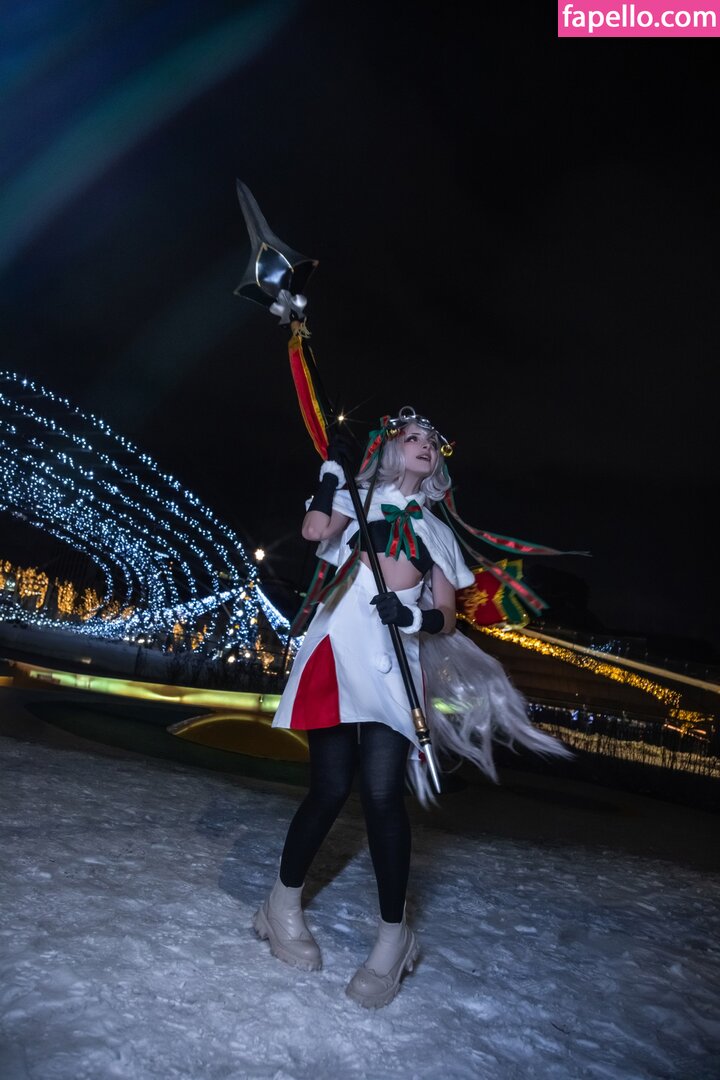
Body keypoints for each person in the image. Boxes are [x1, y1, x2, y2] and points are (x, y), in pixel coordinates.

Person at [253, 407, 571, 1009]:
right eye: (414, 437)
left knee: (381, 795)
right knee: (329, 788)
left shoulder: (437, 531)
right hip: (336, 649)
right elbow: (314, 531)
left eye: (433, 441)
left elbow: (447, 614)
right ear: (390, 447)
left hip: (393, 661)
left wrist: (414, 617)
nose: (426, 445)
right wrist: (333, 472)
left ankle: (393, 939)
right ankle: (280, 906)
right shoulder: (355, 499)